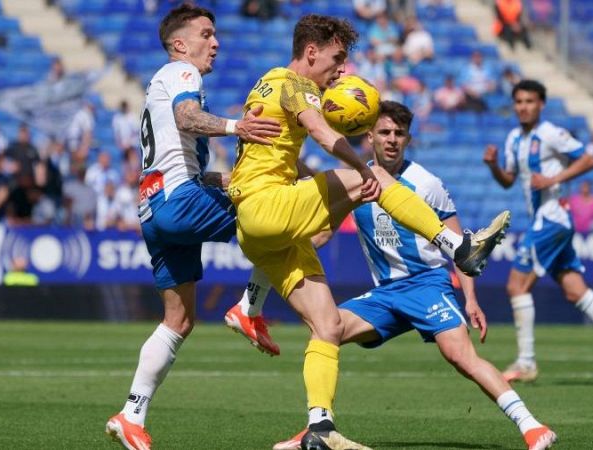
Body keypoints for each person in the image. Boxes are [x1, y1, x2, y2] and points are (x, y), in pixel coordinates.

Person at [226, 14, 510, 450]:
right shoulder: (292, 81)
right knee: (374, 176)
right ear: (311, 51)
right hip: (267, 206)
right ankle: (457, 246)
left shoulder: (268, 84)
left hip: (258, 226)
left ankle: (318, 428)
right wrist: (362, 168)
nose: (341, 70)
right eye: (337, 59)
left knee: (326, 324)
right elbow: (321, 131)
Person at [269, 100, 555, 450]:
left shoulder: (426, 183)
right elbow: (322, 231)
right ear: (369, 136)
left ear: (408, 139)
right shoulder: (355, 180)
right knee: (327, 329)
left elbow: (458, 244)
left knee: (460, 357)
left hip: (427, 284)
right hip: (386, 293)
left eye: (399, 134)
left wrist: (471, 298)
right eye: (385, 132)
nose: (392, 140)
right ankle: (318, 427)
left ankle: (533, 427)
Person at [104, 5, 282, 449]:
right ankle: (250, 308)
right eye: (206, 34)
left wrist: (234, 177)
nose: (215, 42)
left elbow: (184, 159)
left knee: (178, 321)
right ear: (180, 44)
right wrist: (238, 126)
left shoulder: (161, 85)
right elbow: (188, 119)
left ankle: (131, 413)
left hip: (152, 207)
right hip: (177, 201)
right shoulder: (183, 73)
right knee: (280, 221)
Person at [482, 80, 593, 387]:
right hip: (545, 221)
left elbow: (589, 159)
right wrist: (493, 166)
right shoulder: (515, 138)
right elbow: (508, 180)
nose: (524, 107)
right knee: (574, 289)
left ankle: (527, 361)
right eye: (519, 101)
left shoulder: (550, 133)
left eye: (530, 101)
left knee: (516, 286)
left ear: (541, 104)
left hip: (552, 218)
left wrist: (554, 178)